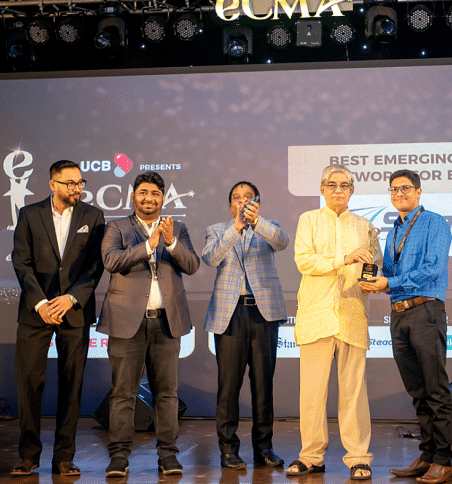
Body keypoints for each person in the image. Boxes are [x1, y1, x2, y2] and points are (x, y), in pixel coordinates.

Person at [98, 171, 200, 478]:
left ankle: (168, 455)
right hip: (126, 322)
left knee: (166, 394)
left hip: (165, 323)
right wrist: (147, 246)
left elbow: (192, 265)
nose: (149, 198)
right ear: (133, 197)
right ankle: (119, 456)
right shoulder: (116, 227)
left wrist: (170, 242)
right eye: (143, 192)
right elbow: (111, 261)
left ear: (163, 198)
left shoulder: (176, 228)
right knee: (123, 394)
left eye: (155, 193)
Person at [358, 169, 452, 484]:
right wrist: (373, 277)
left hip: (426, 310)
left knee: (435, 389)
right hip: (398, 314)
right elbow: (389, 273)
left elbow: (433, 268)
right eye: (394, 189)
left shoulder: (434, 223)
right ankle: (427, 456)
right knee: (417, 392)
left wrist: (390, 282)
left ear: (418, 191)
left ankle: (443, 461)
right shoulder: (392, 231)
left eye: (405, 188)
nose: (399, 194)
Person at [11, 160, 105, 476]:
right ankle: (28, 455)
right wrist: (41, 303)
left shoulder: (93, 216)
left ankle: (64, 457)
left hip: (74, 311)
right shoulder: (29, 214)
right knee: (29, 383)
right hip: (36, 312)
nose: (77, 188)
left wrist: (71, 297)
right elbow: (21, 263)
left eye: (80, 182)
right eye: (70, 183)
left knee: (71, 385)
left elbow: (95, 265)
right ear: (53, 184)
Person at [287, 165, 381, 480]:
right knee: (312, 393)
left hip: (352, 314)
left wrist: (373, 278)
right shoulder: (309, 220)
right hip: (316, 316)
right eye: (332, 184)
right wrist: (344, 259)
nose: (338, 190)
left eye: (344, 185)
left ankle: (359, 457)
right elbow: (304, 261)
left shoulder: (365, 226)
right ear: (322, 189)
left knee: (354, 392)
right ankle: (311, 456)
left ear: (352, 190)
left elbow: (376, 263)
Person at [202, 181, 288, 470]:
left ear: (256, 203)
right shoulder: (217, 230)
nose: (242, 202)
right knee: (228, 386)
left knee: (263, 385)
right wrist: (236, 228)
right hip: (230, 314)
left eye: (248, 198)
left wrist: (256, 222)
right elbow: (210, 257)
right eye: (237, 198)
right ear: (230, 206)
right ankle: (228, 449)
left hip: (264, 313)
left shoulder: (268, 227)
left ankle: (264, 448)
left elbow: (282, 242)